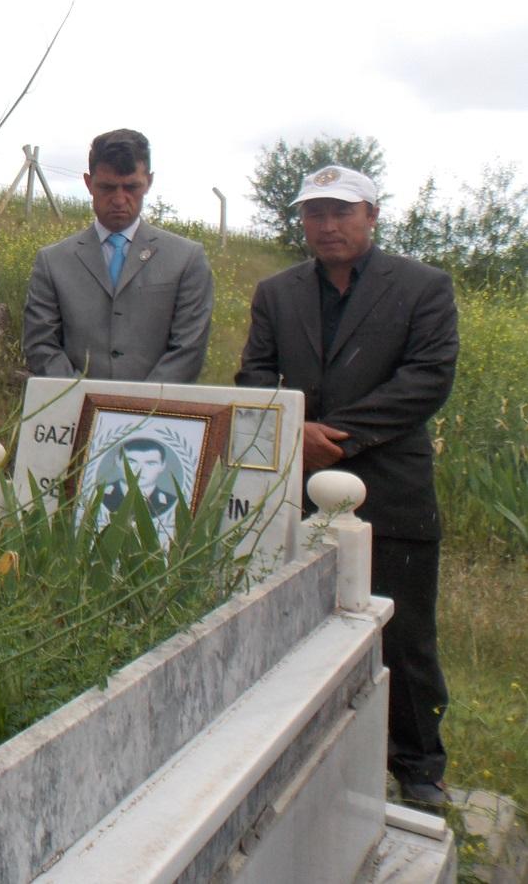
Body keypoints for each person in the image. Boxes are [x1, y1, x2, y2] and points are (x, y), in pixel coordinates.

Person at [235, 163, 458, 810]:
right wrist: (292, 431)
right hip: (298, 487)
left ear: (372, 214)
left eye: (341, 211)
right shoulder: (278, 292)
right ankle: (306, 744)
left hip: (391, 487)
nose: (327, 225)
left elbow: (426, 380)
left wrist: (333, 435)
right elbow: (254, 377)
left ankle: (418, 765)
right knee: (297, 620)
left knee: (406, 631)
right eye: (314, 212)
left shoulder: (422, 287)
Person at [23, 128, 214, 382]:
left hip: (157, 415)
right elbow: (41, 345)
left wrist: (137, 408)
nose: (119, 199)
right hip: (75, 410)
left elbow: (188, 350)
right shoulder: (52, 262)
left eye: (131, 187)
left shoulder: (186, 260)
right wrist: (85, 400)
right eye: (107, 187)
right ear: (89, 184)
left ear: (149, 182)